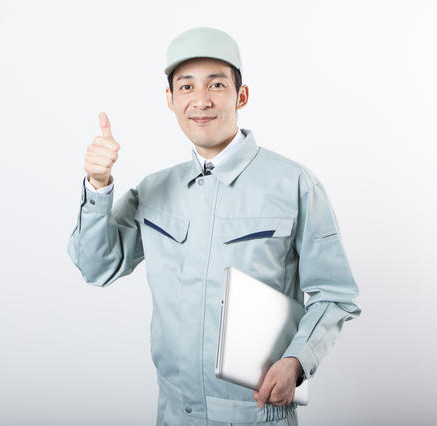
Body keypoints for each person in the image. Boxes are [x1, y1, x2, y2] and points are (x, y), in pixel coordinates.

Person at [68, 27, 361, 425]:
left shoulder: (294, 184)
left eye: (217, 84)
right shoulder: (153, 190)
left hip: (257, 413)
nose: (201, 100)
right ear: (170, 100)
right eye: (186, 86)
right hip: (174, 413)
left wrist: (296, 360)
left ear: (241, 96)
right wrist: (98, 186)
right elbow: (96, 267)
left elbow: (335, 293)